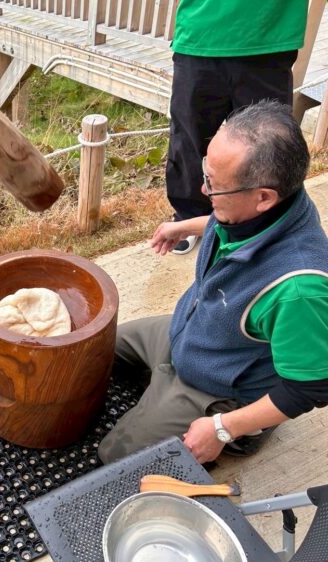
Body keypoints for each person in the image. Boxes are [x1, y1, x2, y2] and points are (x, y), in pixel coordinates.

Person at [98, 101, 328, 465]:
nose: (204, 192)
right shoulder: (271, 205)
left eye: (214, 187)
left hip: (219, 385)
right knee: (93, 349)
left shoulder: (299, 290)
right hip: (189, 335)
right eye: (208, 174)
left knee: (115, 456)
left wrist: (223, 428)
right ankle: (159, 387)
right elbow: (231, 220)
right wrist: (185, 226)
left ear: (264, 197)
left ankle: (239, 434)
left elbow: (310, 387)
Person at [166, 0, 308, 255]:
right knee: (188, 140)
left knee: (271, 149)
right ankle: (189, 217)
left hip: (270, 35)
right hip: (201, 34)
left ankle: (267, 227)